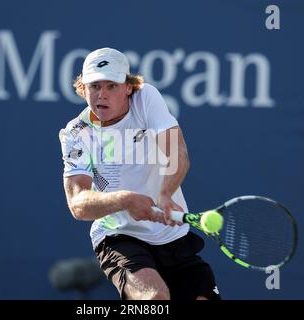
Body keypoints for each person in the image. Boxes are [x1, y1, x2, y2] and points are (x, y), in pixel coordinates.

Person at [59, 47, 220, 300]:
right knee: (154, 298)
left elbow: (177, 152)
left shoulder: (146, 98)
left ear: (128, 87)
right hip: (118, 235)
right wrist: (125, 200)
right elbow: (78, 204)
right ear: (83, 89)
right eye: (94, 86)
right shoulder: (76, 132)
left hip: (172, 238)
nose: (101, 95)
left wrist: (165, 194)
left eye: (111, 86)